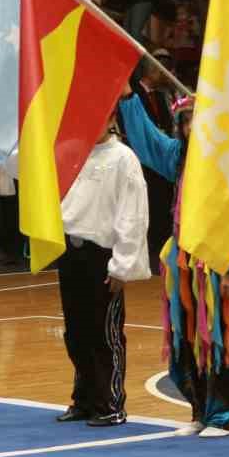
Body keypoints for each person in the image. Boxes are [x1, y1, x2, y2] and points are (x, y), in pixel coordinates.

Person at [117, 89, 229, 435]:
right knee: (189, 337)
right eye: (186, 121)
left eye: (199, 119)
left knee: (220, 338)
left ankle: (224, 414)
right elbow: (149, 141)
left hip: (216, 262)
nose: (192, 126)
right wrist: (129, 98)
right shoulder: (179, 157)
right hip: (184, 264)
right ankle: (200, 410)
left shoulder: (227, 164)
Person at [54, 114, 150, 427]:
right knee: (76, 331)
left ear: (110, 118)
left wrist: (122, 265)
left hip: (102, 256)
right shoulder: (72, 151)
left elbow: (133, 215)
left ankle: (110, 402)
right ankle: (84, 399)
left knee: (104, 333)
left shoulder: (123, 158)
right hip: (72, 252)